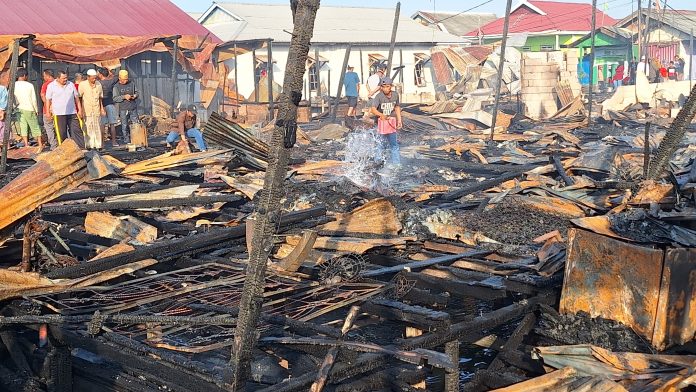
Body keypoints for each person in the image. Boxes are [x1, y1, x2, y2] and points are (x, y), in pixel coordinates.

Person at [46, 70, 84, 148]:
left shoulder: (71, 84)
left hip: (72, 112)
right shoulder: (51, 86)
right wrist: (48, 112)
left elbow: (76, 98)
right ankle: (64, 150)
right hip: (58, 113)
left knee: (77, 130)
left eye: (66, 78)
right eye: (63, 78)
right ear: (57, 78)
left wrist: (80, 110)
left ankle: (81, 148)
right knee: (61, 133)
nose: (65, 80)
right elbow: (48, 100)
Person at [370, 76, 402, 166]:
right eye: (383, 87)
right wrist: (381, 115)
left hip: (391, 123)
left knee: (394, 144)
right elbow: (373, 109)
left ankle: (396, 164)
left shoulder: (395, 95)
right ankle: (377, 163)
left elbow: (397, 107)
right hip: (380, 124)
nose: (385, 89)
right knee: (380, 144)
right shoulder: (379, 96)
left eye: (387, 86)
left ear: (391, 86)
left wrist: (399, 120)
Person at [14, 68, 43, 151]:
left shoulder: (13, 85)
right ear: (24, 76)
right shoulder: (29, 85)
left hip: (18, 108)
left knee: (23, 126)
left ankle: (26, 144)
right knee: (35, 126)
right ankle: (40, 144)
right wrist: (36, 109)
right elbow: (33, 99)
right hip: (29, 108)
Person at [79, 69, 105, 149]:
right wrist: (81, 110)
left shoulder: (98, 84)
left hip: (96, 109)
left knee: (97, 127)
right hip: (87, 110)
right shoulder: (82, 85)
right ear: (88, 77)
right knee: (88, 127)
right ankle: (89, 145)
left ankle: (98, 145)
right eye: (93, 78)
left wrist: (102, 108)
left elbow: (100, 98)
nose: (94, 80)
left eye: (95, 78)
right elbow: (79, 98)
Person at [112, 69, 139, 144]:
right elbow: (115, 98)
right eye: (124, 79)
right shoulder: (116, 87)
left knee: (136, 123)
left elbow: (137, 92)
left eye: (126, 79)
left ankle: (137, 139)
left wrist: (135, 96)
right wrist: (124, 97)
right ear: (119, 78)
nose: (125, 81)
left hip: (133, 107)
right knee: (124, 125)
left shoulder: (131, 83)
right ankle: (126, 140)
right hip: (123, 109)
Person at [97, 68, 119, 147]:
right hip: (110, 103)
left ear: (100, 74)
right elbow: (116, 77)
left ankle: (102, 143)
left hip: (101, 105)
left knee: (102, 125)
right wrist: (110, 73)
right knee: (112, 124)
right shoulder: (111, 81)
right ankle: (114, 142)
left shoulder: (98, 83)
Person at [40, 69, 58, 149]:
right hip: (59, 109)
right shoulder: (58, 83)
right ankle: (64, 143)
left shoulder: (46, 85)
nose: (43, 77)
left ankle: (54, 146)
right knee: (60, 127)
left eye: (44, 76)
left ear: (48, 76)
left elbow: (43, 96)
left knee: (49, 128)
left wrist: (48, 105)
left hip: (47, 110)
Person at [0, 74, 7, 146]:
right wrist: (2, 111)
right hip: (0, 110)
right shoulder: (2, 88)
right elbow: (4, 100)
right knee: (2, 127)